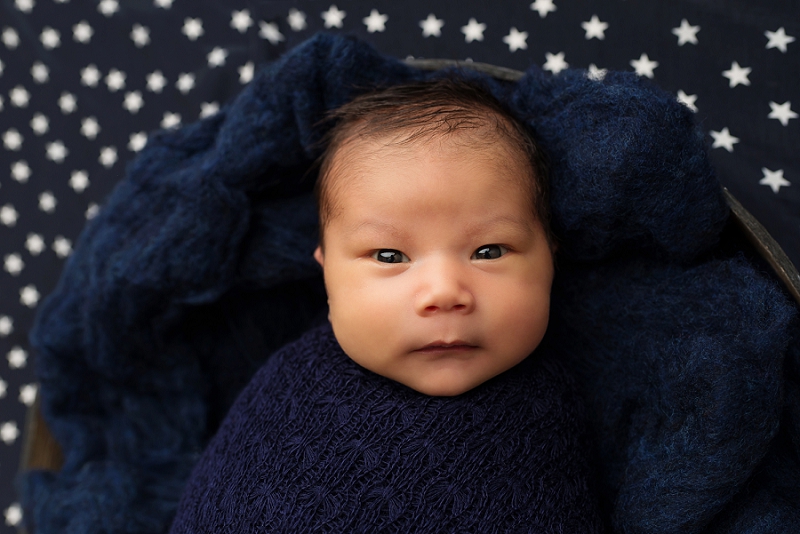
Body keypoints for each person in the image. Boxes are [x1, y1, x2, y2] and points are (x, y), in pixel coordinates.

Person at [168, 77, 604, 533]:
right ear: (327, 274)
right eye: (390, 257)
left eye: (489, 251)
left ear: (552, 256)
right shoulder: (285, 396)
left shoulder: (559, 408)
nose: (443, 292)